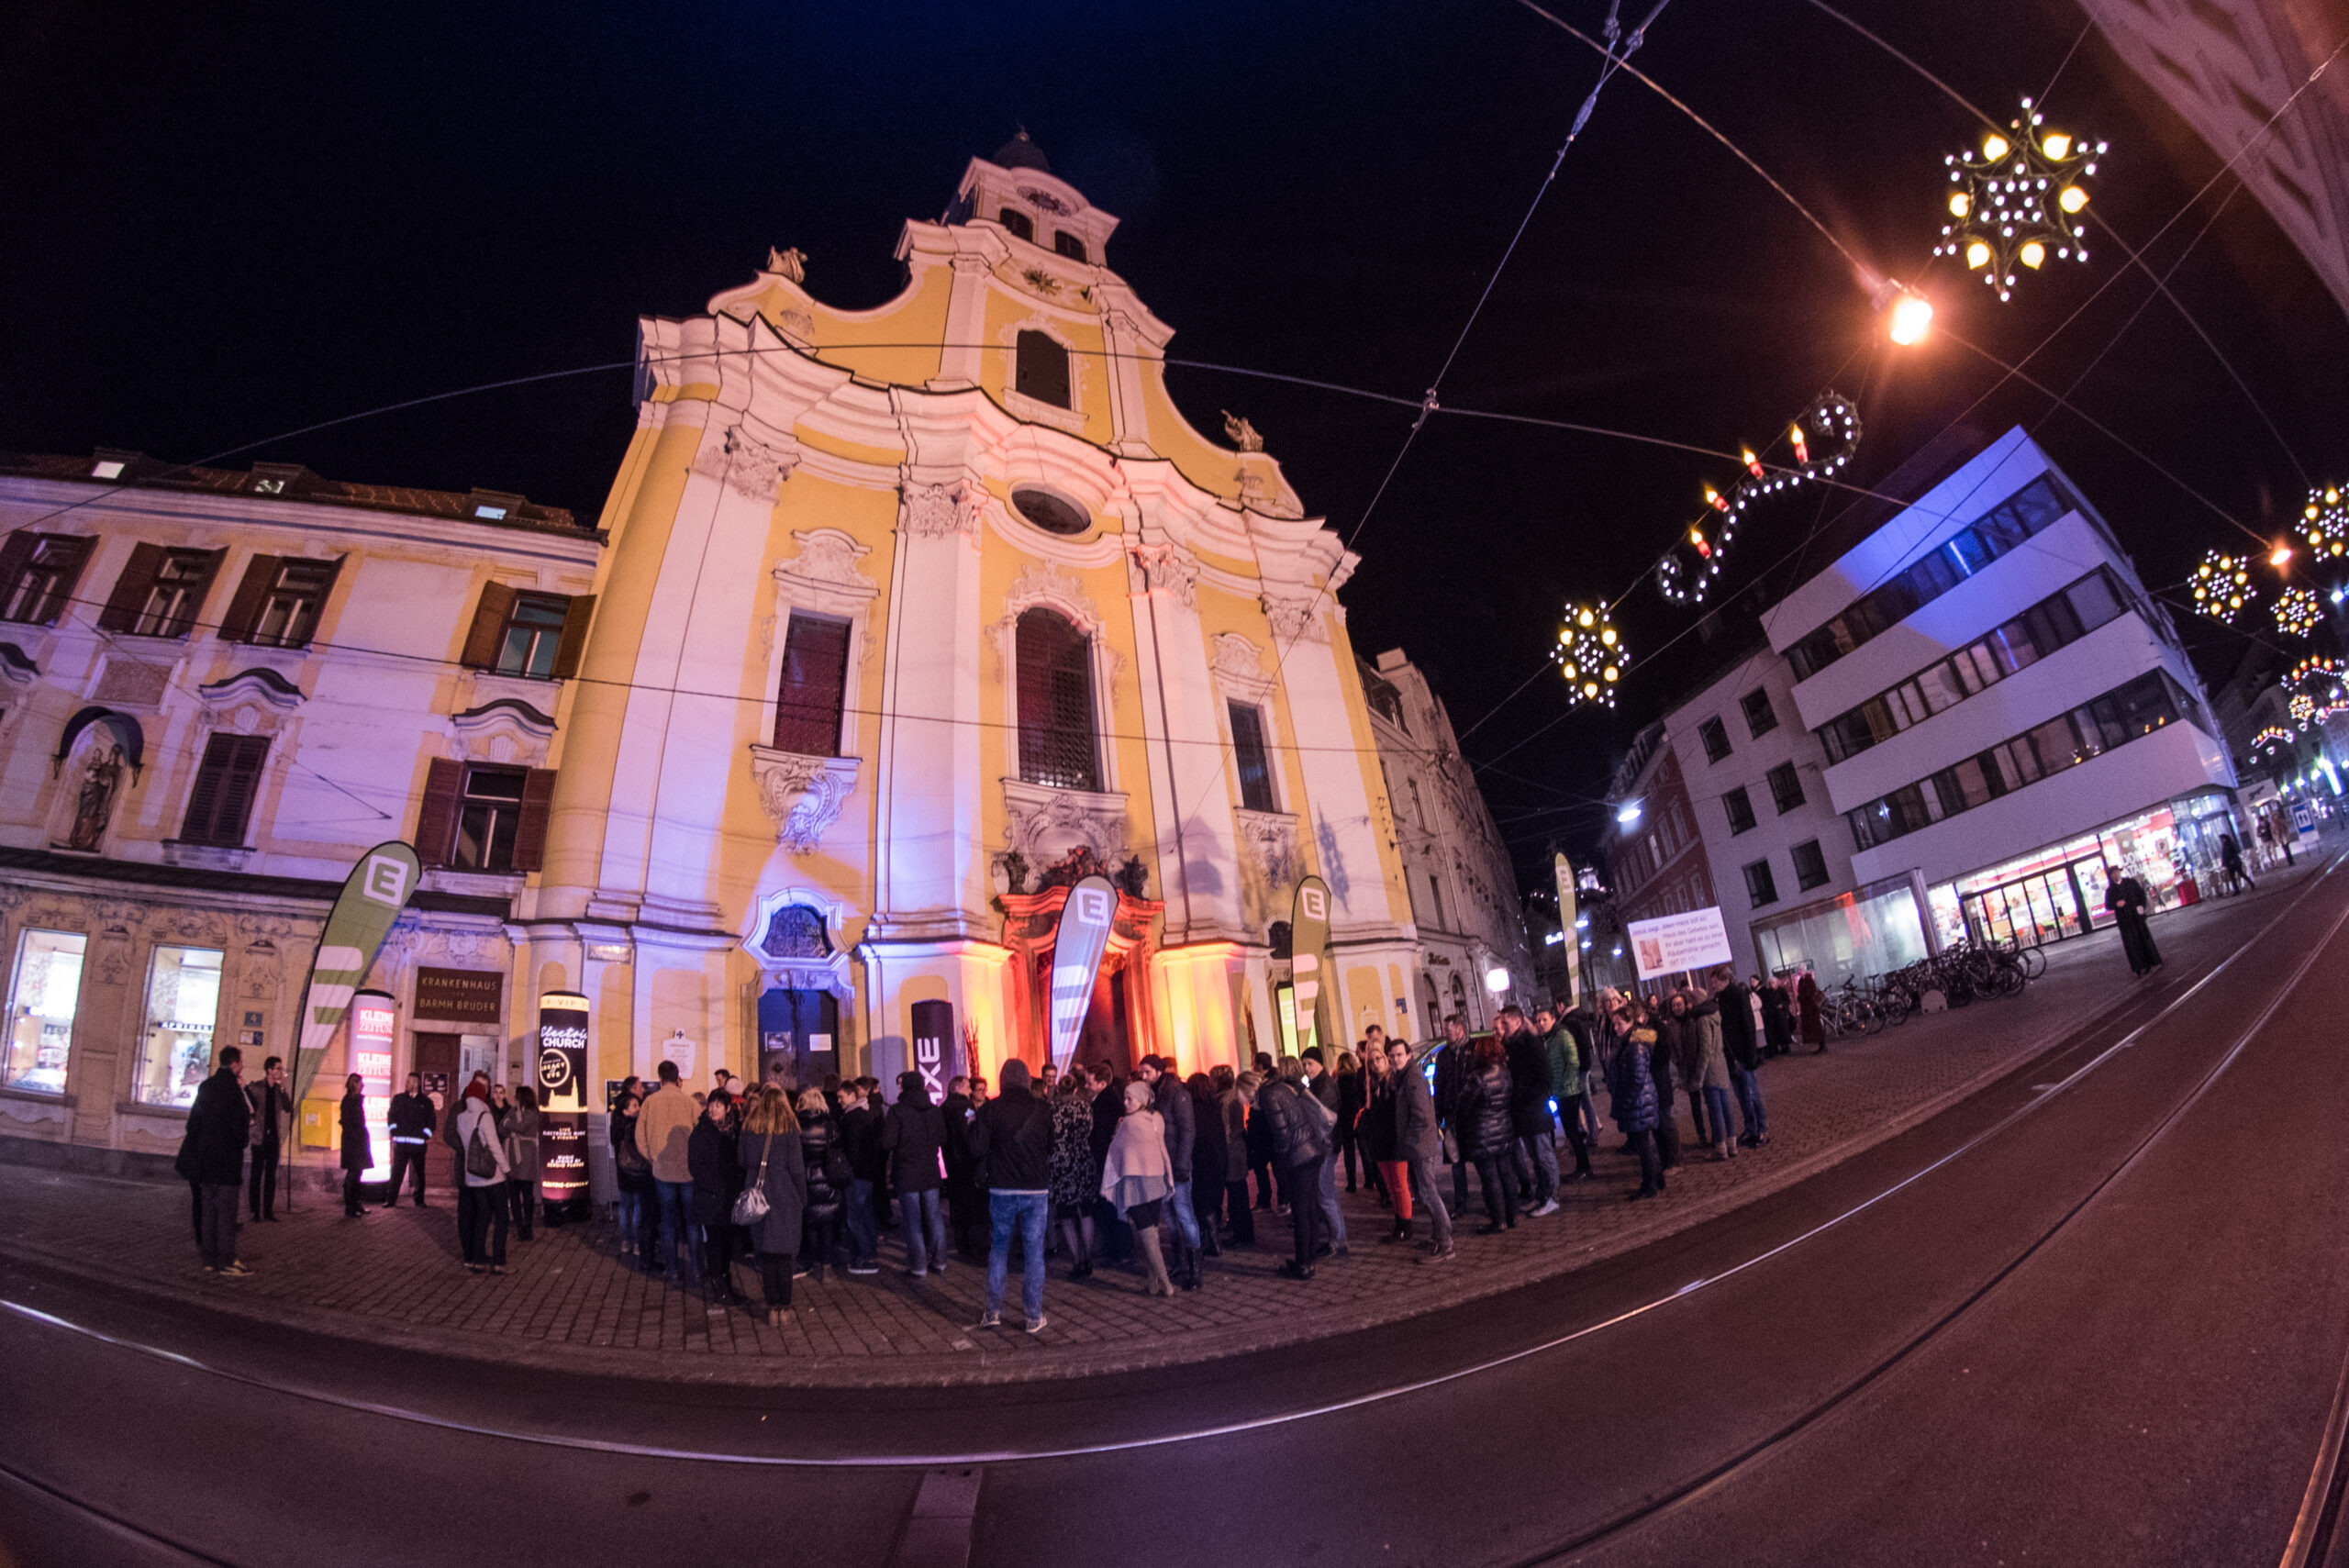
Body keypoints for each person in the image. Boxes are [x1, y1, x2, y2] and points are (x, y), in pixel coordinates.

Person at [966, 1058, 1054, 1333]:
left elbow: (977, 1148)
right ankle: (1032, 1315)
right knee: (1033, 1253)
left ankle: (992, 1311)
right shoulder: (1042, 1109)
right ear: (1027, 1078)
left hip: (1002, 1187)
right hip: (1035, 1187)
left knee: (999, 1249)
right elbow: (1051, 1146)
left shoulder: (990, 1109)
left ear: (1003, 1080)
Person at [737, 1084, 809, 1323]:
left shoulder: (749, 1126)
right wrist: (802, 1196)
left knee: (766, 1252)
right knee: (784, 1253)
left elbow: (743, 1159)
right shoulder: (788, 1128)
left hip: (759, 1192)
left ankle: (771, 1307)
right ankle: (784, 1307)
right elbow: (797, 1168)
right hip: (784, 1191)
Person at [177, 1046, 251, 1275]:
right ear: (235, 1064)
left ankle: (208, 1259)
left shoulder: (206, 1087)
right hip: (227, 1162)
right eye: (241, 1063)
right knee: (226, 1213)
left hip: (206, 1161)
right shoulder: (233, 1090)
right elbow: (242, 1127)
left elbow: (193, 1125)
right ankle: (227, 1260)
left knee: (208, 1211)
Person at [1101, 1078, 1176, 1296]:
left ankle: (1166, 1284)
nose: (1125, 1102)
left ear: (1141, 1099)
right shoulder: (1157, 1119)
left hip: (1135, 1184)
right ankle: (1153, 1284)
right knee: (1151, 1230)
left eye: (1129, 1098)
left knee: (1147, 1234)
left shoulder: (1129, 1124)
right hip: (1156, 1180)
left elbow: (1115, 1150)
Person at [1258, 1058, 1330, 1279]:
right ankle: (1309, 1260)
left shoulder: (1268, 1094)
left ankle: (1303, 1264)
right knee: (1308, 1208)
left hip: (1299, 1156)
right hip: (1312, 1150)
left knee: (1301, 1212)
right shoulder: (1283, 1088)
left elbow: (1282, 1132)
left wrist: (1280, 1158)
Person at [1386, 1037, 1453, 1262]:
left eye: (1399, 1055)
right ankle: (1439, 1237)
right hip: (1417, 1147)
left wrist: (1407, 1141)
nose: (1395, 1059)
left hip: (1420, 1148)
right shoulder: (1404, 1078)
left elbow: (1422, 1117)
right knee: (1425, 1193)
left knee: (1428, 1194)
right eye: (1392, 1055)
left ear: (1408, 1056)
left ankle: (1446, 1245)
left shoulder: (1413, 1079)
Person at [1139, 1054, 1203, 1288]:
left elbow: (1188, 1131)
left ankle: (1195, 1267)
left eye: (1147, 1072)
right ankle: (1179, 1261)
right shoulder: (1149, 1096)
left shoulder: (1177, 1093)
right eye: (1141, 1073)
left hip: (1176, 1162)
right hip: (1157, 1165)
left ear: (1158, 1071)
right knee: (1170, 1217)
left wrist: (1183, 1164)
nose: (1143, 1077)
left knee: (1184, 1214)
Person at [637, 1060, 700, 1285]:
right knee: (692, 1223)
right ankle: (696, 1270)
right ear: (677, 1076)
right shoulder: (690, 1103)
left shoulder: (649, 1103)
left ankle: (672, 1270)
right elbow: (700, 1135)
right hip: (688, 1171)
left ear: (660, 1077)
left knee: (668, 1222)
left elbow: (640, 1137)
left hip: (662, 1170)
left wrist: (651, 1157)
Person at [881, 1071, 948, 1278]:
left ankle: (918, 1266)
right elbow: (943, 1138)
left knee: (912, 1220)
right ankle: (940, 1261)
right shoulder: (934, 1111)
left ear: (906, 1087)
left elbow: (887, 1142)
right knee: (934, 1216)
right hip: (930, 1169)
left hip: (907, 1171)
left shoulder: (897, 1111)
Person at [688, 1089, 747, 1307]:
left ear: (728, 1108)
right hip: (711, 1198)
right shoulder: (701, 1132)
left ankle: (727, 1284)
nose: (713, 1109)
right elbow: (696, 1167)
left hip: (730, 1198)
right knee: (715, 1243)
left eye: (718, 1105)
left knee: (728, 1242)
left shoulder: (734, 1131)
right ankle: (718, 1288)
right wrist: (717, 1188)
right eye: (711, 1104)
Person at [1498, 1005, 1558, 1216]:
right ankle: (1542, 1194)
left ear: (1517, 1021)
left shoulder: (1530, 1043)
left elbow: (1545, 1078)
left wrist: (1525, 1094)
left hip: (1535, 1109)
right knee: (1534, 1156)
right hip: (1522, 1110)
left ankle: (1551, 1196)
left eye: (1506, 1022)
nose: (1503, 1026)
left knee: (1543, 1155)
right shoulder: (1511, 1044)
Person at [1457, 1035, 1518, 1233]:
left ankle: (1498, 1220)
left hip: (1482, 1135)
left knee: (1490, 1178)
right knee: (1506, 1173)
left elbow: (1463, 1106)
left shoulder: (1477, 1077)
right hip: (1504, 1130)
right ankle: (1511, 1215)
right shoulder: (1505, 1072)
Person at [1607, 1003, 1664, 1200]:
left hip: (1639, 1101)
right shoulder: (1627, 1041)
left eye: (1619, 1024)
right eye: (1613, 1024)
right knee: (1643, 1143)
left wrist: (1627, 1101)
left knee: (1643, 1145)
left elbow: (1637, 1078)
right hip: (1638, 1100)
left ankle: (1650, 1185)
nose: (1616, 1028)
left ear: (1631, 1022)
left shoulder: (1636, 1044)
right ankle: (1657, 1178)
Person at [453, 1080, 511, 1274]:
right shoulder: (485, 1116)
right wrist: (506, 1168)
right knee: (501, 1218)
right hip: (492, 1177)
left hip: (472, 1177)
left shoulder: (461, 1118)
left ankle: (478, 1259)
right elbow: (493, 1146)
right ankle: (499, 1261)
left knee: (481, 1218)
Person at [1048, 1071, 1102, 1280]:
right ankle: (1088, 1257)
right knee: (1086, 1212)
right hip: (1082, 1159)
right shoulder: (1085, 1107)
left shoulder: (1053, 1109)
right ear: (1076, 1089)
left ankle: (1077, 1261)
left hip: (1062, 1164)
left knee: (1067, 1215)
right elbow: (1090, 1130)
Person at [1297, 1051, 1349, 1258]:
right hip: (1323, 1145)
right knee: (1323, 1193)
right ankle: (1335, 1238)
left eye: (1310, 1063)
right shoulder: (1316, 1084)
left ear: (1320, 1063)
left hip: (1326, 1145)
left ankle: (1339, 1240)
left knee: (1325, 1194)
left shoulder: (1325, 1086)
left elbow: (1319, 1117)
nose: (1307, 1068)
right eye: (1304, 1065)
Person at [797, 1087, 847, 1282]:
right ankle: (827, 1266)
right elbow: (837, 1149)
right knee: (826, 1223)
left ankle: (815, 1262)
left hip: (806, 1178)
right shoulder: (830, 1124)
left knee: (811, 1222)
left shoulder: (796, 1124)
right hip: (827, 1177)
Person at [836, 1079, 884, 1275]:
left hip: (856, 1174)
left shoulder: (853, 1118)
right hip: (866, 1173)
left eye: (841, 1096)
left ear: (852, 1095)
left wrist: (847, 1171)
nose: (839, 1101)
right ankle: (868, 1253)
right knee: (865, 1214)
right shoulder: (863, 1115)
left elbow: (852, 1151)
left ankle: (866, 1255)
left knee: (855, 1217)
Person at [1360, 1045, 1406, 1242]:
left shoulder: (1393, 1081)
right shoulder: (1372, 1083)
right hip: (1379, 1141)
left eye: (1379, 1059)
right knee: (1389, 1185)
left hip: (1394, 1140)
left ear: (1386, 1060)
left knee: (1400, 1184)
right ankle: (1398, 1223)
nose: (1376, 1063)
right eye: (1372, 1061)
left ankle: (1405, 1225)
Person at [1543, 1006, 1594, 1181]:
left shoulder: (1562, 1035)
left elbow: (1573, 1061)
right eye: (1538, 1021)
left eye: (1544, 1020)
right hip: (1561, 1091)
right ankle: (1582, 1166)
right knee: (1570, 1130)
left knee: (1572, 1131)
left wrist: (1563, 1083)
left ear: (1553, 1019)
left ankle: (1584, 1167)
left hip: (1569, 1091)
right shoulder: (1550, 1038)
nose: (1541, 1023)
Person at [1431, 1015, 1475, 1216]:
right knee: (1456, 1163)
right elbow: (1438, 1085)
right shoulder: (1443, 1055)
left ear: (1459, 1029)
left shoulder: (1472, 1050)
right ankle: (1461, 1203)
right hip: (1450, 1115)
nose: (1444, 1034)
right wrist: (1438, 1113)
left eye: (1448, 1030)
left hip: (1472, 1114)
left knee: (1482, 1160)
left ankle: (1494, 1201)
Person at [1687, 985, 1735, 1161]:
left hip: (1711, 1069)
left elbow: (1705, 1049)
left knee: (1715, 1110)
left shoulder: (1702, 1020)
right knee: (1725, 1106)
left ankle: (1720, 1148)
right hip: (1721, 1063)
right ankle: (1732, 1144)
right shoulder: (1715, 1014)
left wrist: (1699, 1076)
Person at [610, 1082, 655, 1269]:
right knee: (638, 1207)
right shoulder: (635, 1126)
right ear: (626, 1110)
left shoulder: (616, 1124)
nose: (638, 1108)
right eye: (635, 1106)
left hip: (622, 1170)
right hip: (637, 1171)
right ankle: (637, 1242)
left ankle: (625, 1241)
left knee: (624, 1206)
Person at [243, 1054, 291, 1221]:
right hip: (259, 1137)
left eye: (281, 1069)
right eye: (278, 1068)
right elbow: (247, 1102)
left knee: (271, 1175)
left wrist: (284, 1089)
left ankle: (268, 1211)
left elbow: (288, 1108)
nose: (281, 1072)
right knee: (256, 1175)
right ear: (269, 1070)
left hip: (273, 1139)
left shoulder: (278, 1090)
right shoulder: (257, 1087)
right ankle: (254, 1211)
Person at [1186, 1072, 1226, 1263]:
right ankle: (1214, 1241)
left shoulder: (1192, 1109)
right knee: (1211, 1201)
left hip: (1200, 1160)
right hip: (1216, 1158)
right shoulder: (1214, 1106)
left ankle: (1209, 1241)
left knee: (1200, 1202)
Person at [1217, 1065, 1255, 1247]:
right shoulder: (1233, 1097)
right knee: (1238, 1192)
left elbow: (1226, 1130)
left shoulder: (1227, 1101)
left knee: (1238, 1193)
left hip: (1232, 1151)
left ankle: (1243, 1234)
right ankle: (1240, 1230)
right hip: (1237, 1149)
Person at [2105, 864, 2164, 977]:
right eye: (2113, 874)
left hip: (2136, 917)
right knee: (2131, 945)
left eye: (2116, 872)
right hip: (2125, 921)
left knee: (2144, 939)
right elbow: (2108, 905)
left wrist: (2141, 906)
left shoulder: (2130, 883)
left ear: (2119, 872)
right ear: (2111, 876)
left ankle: (2153, 961)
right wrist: (2116, 904)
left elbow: (2141, 895)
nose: (2115, 875)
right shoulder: (2110, 890)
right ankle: (2139, 967)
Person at [385, 1073, 435, 1207]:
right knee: (397, 1173)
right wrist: (394, 1131)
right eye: (406, 1081)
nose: (406, 1084)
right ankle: (391, 1200)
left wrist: (424, 1135)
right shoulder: (399, 1099)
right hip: (401, 1144)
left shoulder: (425, 1102)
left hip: (418, 1145)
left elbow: (431, 1122)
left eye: (409, 1081)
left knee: (419, 1174)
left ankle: (419, 1201)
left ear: (416, 1084)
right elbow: (391, 1117)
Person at [506, 1084, 541, 1241]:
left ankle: (527, 1226)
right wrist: (508, 1126)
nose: (515, 1098)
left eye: (517, 1095)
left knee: (527, 1194)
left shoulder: (531, 1113)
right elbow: (501, 1126)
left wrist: (509, 1125)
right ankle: (519, 1225)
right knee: (513, 1194)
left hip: (526, 1158)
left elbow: (520, 1127)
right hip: (513, 1158)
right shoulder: (513, 1111)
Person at [1335, 1044, 1369, 1194]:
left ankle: (1352, 1183)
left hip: (1344, 1118)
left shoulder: (1337, 1082)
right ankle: (1370, 1179)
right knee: (1364, 1148)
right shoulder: (1357, 1077)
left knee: (1348, 1151)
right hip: (1358, 1116)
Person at [339, 1072, 372, 1218]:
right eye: (360, 1083)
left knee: (357, 1173)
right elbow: (347, 1123)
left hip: (358, 1142)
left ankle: (356, 1204)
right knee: (353, 1174)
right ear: (354, 1084)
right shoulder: (348, 1101)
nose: (363, 1085)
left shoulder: (357, 1100)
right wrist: (357, 1137)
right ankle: (350, 1206)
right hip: (353, 1143)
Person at [1761, 977, 1796, 1058]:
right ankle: (1780, 1046)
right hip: (1772, 1015)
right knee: (1776, 1031)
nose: (1771, 984)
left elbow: (1787, 1000)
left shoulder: (1781, 990)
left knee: (1783, 1030)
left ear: (1776, 982)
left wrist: (1782, 1005)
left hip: (1780, 1014)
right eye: (1770, 983)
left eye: (1773, 982)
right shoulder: (1768, 992)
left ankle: (1786, 1047)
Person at [1797, 970, 1826, 1054]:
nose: (1799, 972)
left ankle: (1822, 1045)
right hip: (1806, 1007)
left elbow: (1811, 992)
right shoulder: (1802, 980)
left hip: (1811, 1007)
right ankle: (1821, 1045)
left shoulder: (1809, 980)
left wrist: (1801, 997)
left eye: (1800, 970)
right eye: (1798, 971)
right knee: (1814, 1026)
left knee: (1816, 1025)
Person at [2221, 830, 2254, 895]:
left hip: (2232, 863)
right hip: (2234, 862)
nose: (2221, 841)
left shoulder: (2227, 845)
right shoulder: (2228, 844)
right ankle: (2249, 883)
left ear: (2224, 839)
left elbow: (2229, 854)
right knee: (2240, 874)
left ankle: (2237, 890)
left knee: (2234, 876)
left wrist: (2228, 862)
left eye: (2221, 839)